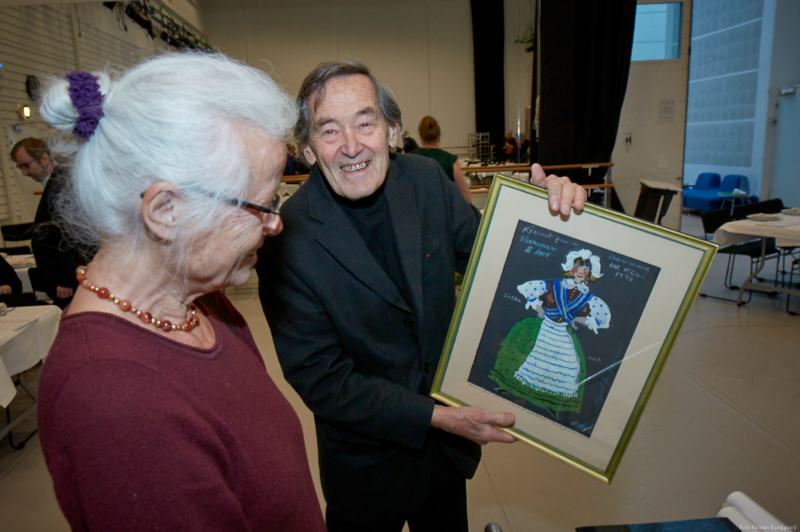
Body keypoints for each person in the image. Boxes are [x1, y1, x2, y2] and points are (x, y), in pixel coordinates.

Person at [256, 59, 586, 531]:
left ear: (393, 131)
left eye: (365, 123)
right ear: (307, 150)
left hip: (445, 459)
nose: (351, 145)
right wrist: (435, 417)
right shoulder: (288, 240)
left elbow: (494, 259)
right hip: (367, 469)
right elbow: (323, 380)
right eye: (329, 130)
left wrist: (541, 218)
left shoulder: (426, 182)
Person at [36, 54, 326, 531]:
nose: (275, 224)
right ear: (166, 210)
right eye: (261, 205)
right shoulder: (109, 398)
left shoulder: (202, 303)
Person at [488, 249, 611, 412]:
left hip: (561, 332)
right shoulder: (555, 284)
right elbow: (529, 288)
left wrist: (580, 321)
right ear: (571, 268)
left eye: (585, 269)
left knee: (563, 366)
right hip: (544, 326)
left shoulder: (587, 297)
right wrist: (539, 308)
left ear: (590, 272)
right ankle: (512, 390)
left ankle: (549, 403)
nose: (581, 272)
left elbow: (602, 317)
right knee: (531, 356)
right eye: (577, 268)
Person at [11, 138, 83, 308]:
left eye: (26, 165)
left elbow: (70, 234)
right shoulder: (55, 181)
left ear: (44, 158)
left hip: (67, 281)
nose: (24, 173)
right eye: (20, 167)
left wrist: (66, 279)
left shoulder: (62, 184)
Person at [408, 115, 472, 202]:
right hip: (443, 207)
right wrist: (470, 208)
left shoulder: (409, 158)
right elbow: (463, 189)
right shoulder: (450, 159)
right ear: (439, 137)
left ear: (420, 138)